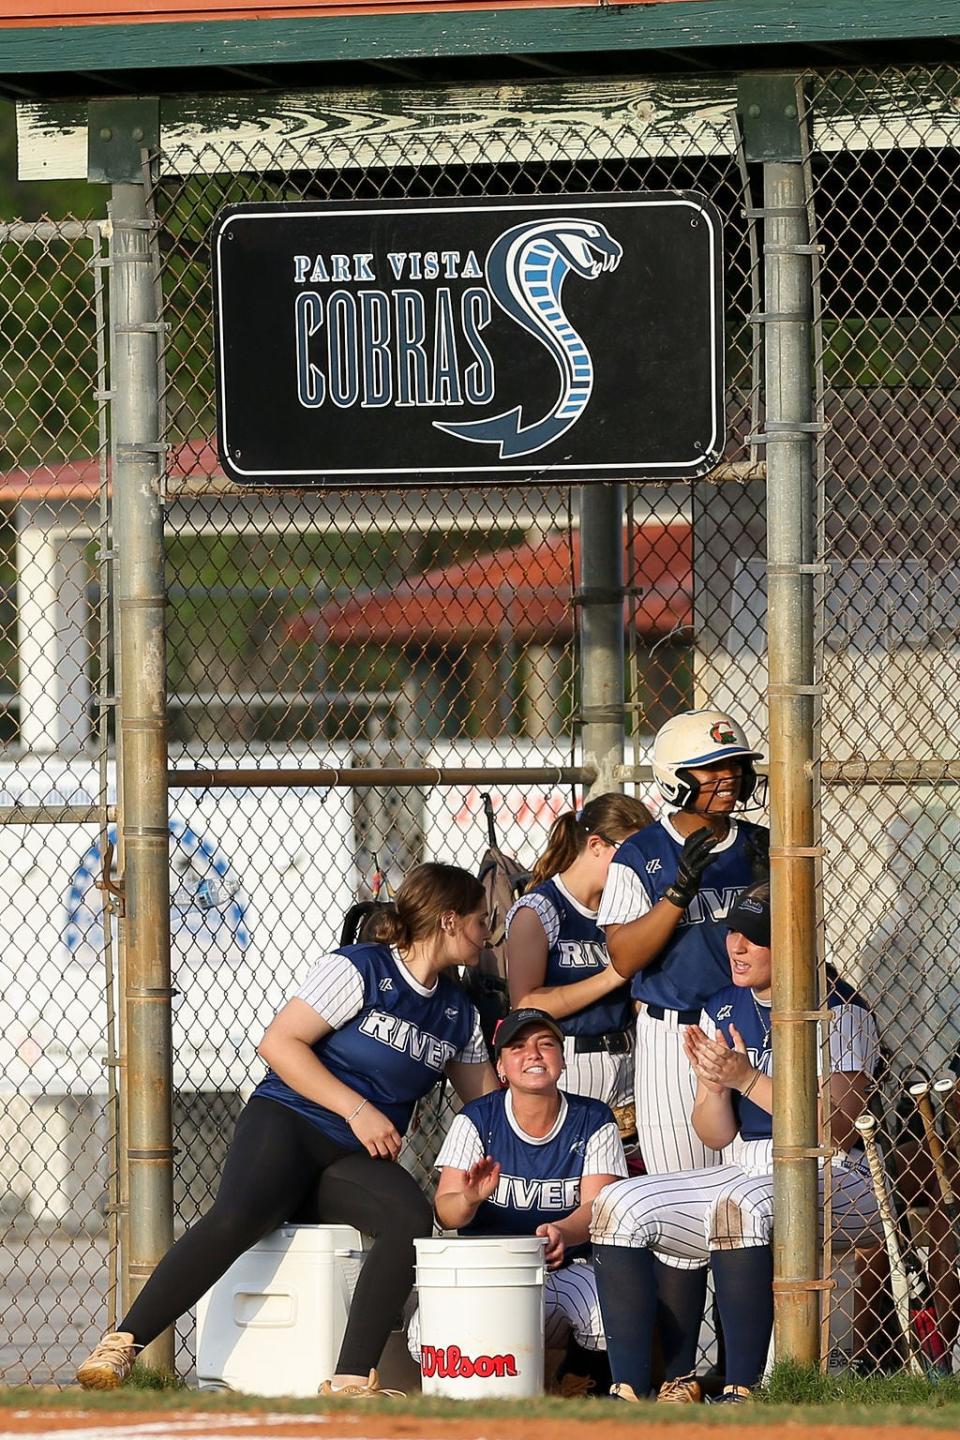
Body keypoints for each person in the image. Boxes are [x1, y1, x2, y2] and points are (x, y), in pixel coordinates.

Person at [76, 862, 498, 1397]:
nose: (488, 934)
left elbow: (486, 1104)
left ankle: (349, 1381)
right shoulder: (362, 968)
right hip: (291, 1123)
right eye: (482, 921)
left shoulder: (458, 1013)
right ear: (448, 921)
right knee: (237, 1217)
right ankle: (121, 1345)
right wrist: (357, 1109)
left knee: (407, 1214)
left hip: (349, 1161)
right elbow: (279, 1043)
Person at [591, 883, 881, 1404]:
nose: (738, 947)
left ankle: (741, 1390)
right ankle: (630, 1392)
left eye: (756, 937)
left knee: (740, 1206)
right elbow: (716, 1132)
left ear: (795, 944)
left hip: (841, 1173)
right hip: (746, 1161)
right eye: (733, 933)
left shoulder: (842, 1011)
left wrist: (746, 1079)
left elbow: (833, 1126)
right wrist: (715, 1086)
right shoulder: (723, 1005)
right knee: (620, 1203)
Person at [408, 1007, 627, 1393]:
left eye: (546, 1045)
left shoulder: (592, 1118)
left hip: (561, 1270)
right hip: (487, 1272)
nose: (534, 1054)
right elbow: (446, 1212)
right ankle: (485, 1398)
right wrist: (471, 1198)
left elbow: (598, 1206)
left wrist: (562, 1230)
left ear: (562, 1058)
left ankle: (572, 1382)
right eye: (518, 1047)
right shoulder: (477, 1118)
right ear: (502, 1067)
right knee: (421, 1337)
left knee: (609, 1316)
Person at [597, 708, 769, 1176]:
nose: (729, 776)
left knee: (756, 1180)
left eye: (734, 764)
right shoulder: (643, 852)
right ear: (676, 776)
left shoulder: (762, 847)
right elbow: (624, 957)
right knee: (682, 1185)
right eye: (712, 767)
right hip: (678, 1030)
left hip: (755, 1026)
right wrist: (677, 893)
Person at [505, 794, 653, 1119]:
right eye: (631, 852)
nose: (639, 865)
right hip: (570, 1061)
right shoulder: (540, 908)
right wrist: (612, 975)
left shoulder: (627, 906)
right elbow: (527, 1003)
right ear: (596, 845)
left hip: (629, 1059)